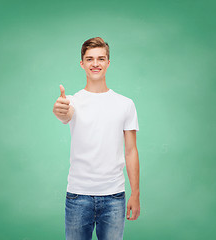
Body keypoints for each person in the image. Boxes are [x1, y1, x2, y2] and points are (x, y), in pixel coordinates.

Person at [53, 37, 140, 240]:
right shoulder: (72, 101)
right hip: (77, 196)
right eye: (89, 59)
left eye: (101, 58)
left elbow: (131, 151)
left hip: (114, 197)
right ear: (82, 63)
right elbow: (64, 114)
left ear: (108, 63)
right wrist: (59, 110)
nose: (95, 64)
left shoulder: (125, 104)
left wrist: (135, 193)